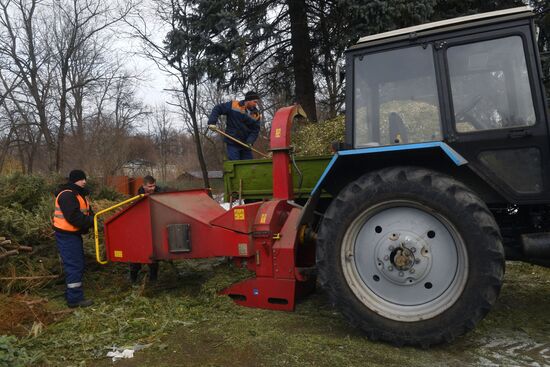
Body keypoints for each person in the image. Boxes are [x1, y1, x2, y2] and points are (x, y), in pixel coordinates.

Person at [52, 169, 94, 308]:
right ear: (74, 180)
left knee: (77, 264)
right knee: (74, 265)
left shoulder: (79, 194)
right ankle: (75, 299)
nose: (84, 182)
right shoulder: (67, 195)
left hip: (73, 235)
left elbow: (87, 212)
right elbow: (74, 217)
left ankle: (72, 294)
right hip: (66, 235)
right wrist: (91, 221)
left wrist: (94, 219)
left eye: (84, 179)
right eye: (81, 179)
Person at [208, 91, 262, 160]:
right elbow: (218, 108)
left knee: (248, 166)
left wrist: (250, 141)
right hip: (232, 143)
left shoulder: (256, 115)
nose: (256, 104)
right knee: (235, 165)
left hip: (246, 145)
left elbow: (255, 130)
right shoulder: (234, 105)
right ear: (248, 100)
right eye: (255, 102)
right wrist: (212, 122)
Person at [130, 175, 160, 283]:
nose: (152, 188)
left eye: (153, 186)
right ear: (143, 186)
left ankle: (153, 280)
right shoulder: (137, 197)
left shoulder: (160, 194)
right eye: (149, 186)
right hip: (140, 229)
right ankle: (133, 279)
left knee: (153, 256)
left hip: (155, 228)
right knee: (136, 255)